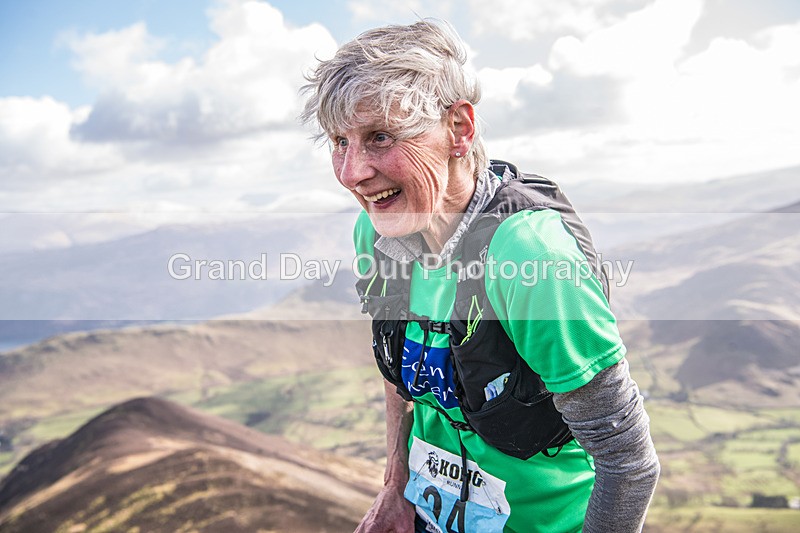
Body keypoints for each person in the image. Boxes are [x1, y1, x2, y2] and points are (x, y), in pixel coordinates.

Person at [301, 19, 659, 533]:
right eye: (339, 142)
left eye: (380, 137)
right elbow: (397, 368)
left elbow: (627, 462)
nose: (353, 172)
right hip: (432, 515)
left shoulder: (529, 257)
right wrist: (395, 486)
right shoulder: (376, 233)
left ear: (459, 129)